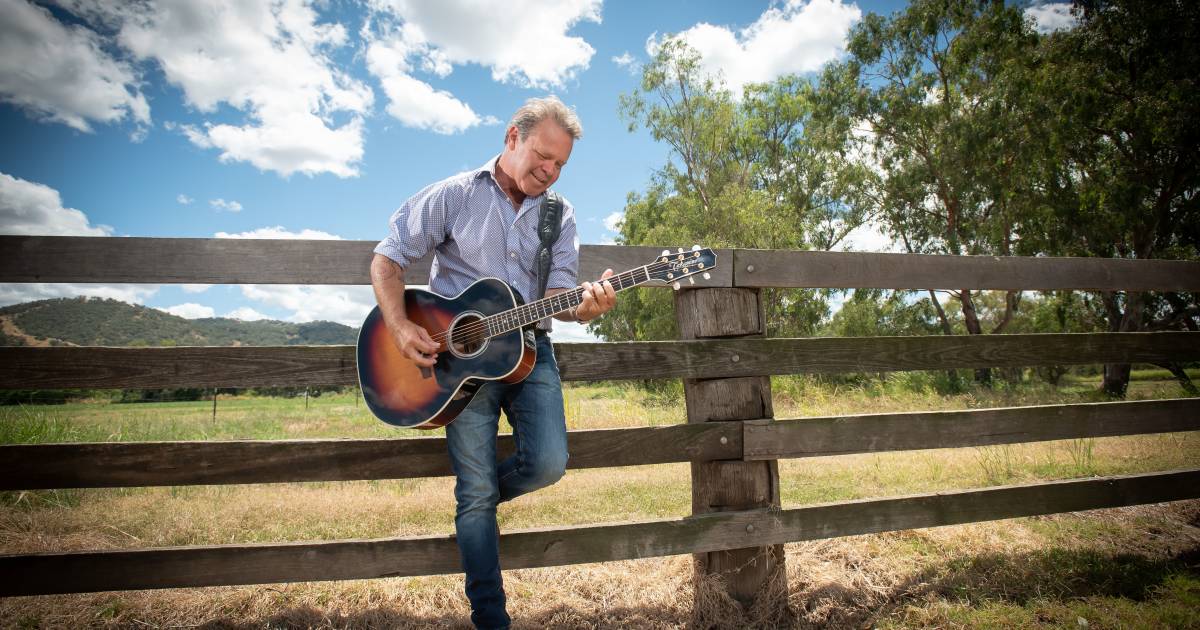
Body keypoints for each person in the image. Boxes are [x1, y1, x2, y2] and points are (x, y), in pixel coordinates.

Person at [369, 96, 616, 629]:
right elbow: (387, 259)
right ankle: (490, 618)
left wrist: (585, 305)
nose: (549, 171)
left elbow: (561, 294)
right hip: (457, 365)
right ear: (512, 138)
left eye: (560, 165)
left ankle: (475, 514)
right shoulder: (456, 195)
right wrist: (399, 325)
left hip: (531, 351)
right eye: (542, 156)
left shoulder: (560, 214)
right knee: (474, 491)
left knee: (548, 463)